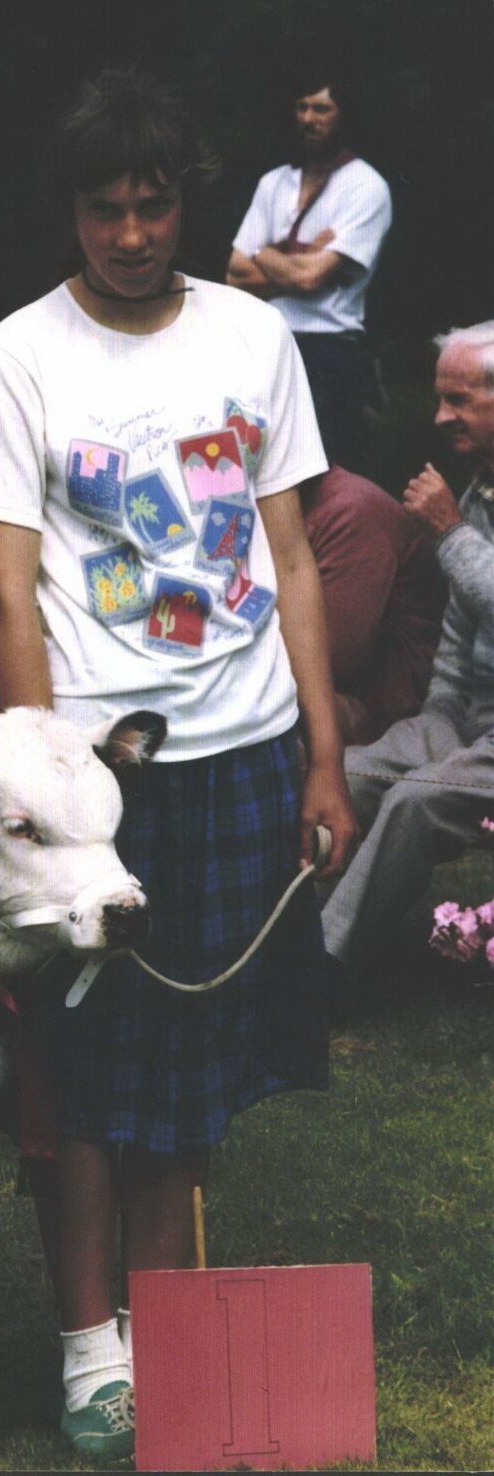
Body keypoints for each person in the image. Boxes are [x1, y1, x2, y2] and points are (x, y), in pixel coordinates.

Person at [0, 66, 355, 1459]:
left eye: (155, 202)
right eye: (106, 208)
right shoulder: (18, 356)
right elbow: (5, 597)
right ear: (72, 211)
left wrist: (324, 750)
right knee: (87, 1065)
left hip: (245, 751)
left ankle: (178, 1334)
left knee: (196, 1066)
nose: (131, 232)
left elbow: (292, 554)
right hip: (97, 782)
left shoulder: (253, 337)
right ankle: (86, 1346)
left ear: (188, 200)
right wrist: (41, 787)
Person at [321, 322, 494, 971]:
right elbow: (461, 623)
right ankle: (271, 944)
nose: (440, 416)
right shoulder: (480, 487)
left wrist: (449, 534)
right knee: (347, 775)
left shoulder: (459, 510)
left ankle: (321, 968)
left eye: (458, 400)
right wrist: (440, 713)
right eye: (440, 398)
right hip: (468, 720)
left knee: (415, 801)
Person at [226, 73, 392, 471]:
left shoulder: (366, 186)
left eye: (321, 108)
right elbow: (234, 274)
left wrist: (264, 250)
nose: (308, 118)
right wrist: (300, 255)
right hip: (265, 341)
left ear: (343, 116)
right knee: (259, 464)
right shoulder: (275, 183)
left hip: (328, 350)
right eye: (302, 107)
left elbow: (308, 279)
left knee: (325, 469)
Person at [302, 464, 446, 744]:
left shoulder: (351, 509)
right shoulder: (275, 507)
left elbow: (326, 663)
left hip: (383, 709)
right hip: (330, 691)